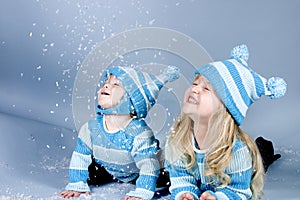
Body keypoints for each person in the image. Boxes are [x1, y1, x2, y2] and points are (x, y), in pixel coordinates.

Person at [164, 44, 287, 200]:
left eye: (207, 89)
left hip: (243, 166)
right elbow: (180, 177)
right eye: (195, 83)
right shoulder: (178, 139)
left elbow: (239, 191)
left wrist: (218, 197)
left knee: (262, 158)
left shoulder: (237, 150)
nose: (195, 89)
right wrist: (185, 193)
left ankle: (264, 148)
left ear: (225, 109)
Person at [60, 65, 180, 200]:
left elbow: (148, 166)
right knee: (91, 172)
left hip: (142, 170)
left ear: (130, 100)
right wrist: (77, 184)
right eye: (106, 83)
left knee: (169, 174)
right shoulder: (90, 129)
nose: (106, 86)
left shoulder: (139, 134)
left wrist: (142, 192)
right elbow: (80, 156)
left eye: (115, 84)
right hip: (111, 169)